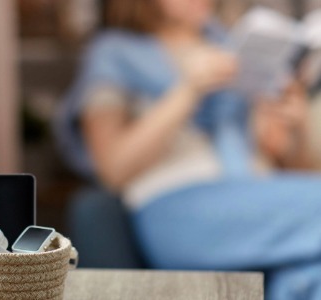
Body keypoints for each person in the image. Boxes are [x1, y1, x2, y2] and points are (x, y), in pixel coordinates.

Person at [55, 0, 321, 299]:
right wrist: (188, 91)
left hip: (257, 195)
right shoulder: (114, 53)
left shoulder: (232, 46)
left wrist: (296, 125)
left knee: (311, 276)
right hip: (178, 207)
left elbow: (292, 167)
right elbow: (113, 169)